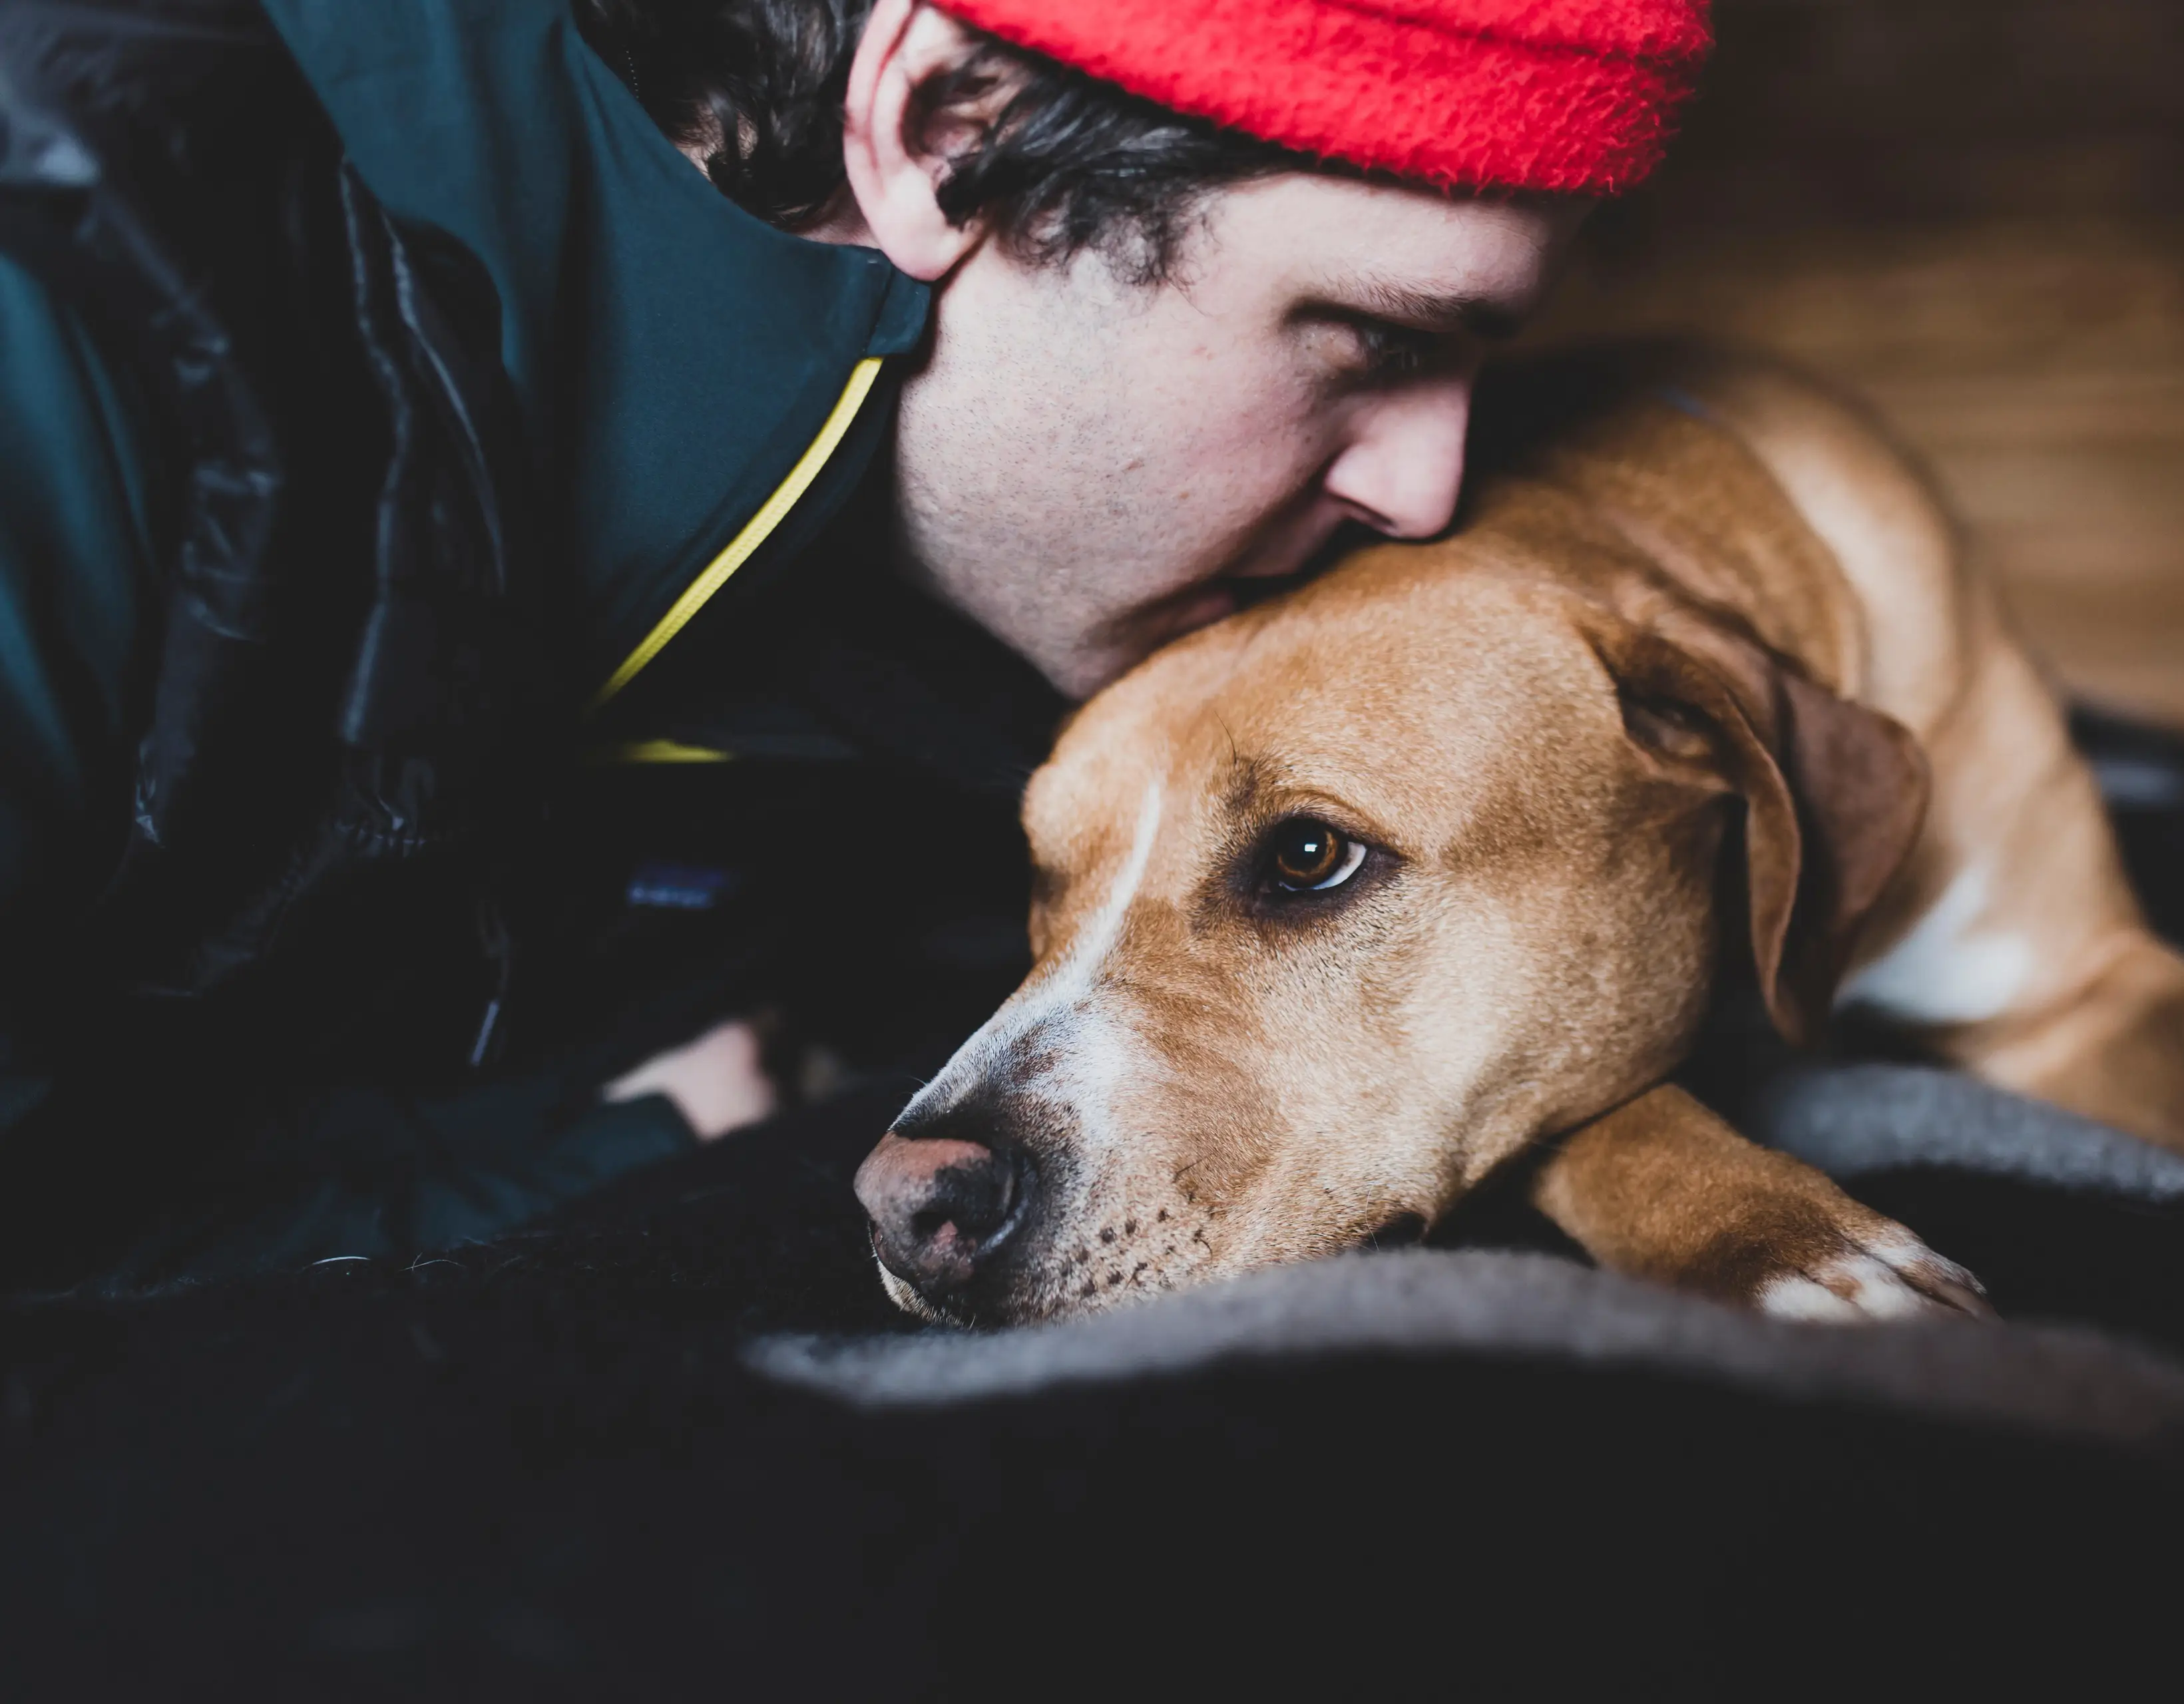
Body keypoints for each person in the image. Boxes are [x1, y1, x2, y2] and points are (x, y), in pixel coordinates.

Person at [0, 0, 1711, 1285]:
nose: (1431, 488)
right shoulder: (85, 329)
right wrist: (554, 1172)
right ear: (952, 131)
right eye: (1365, 340)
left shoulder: (1017, 642)